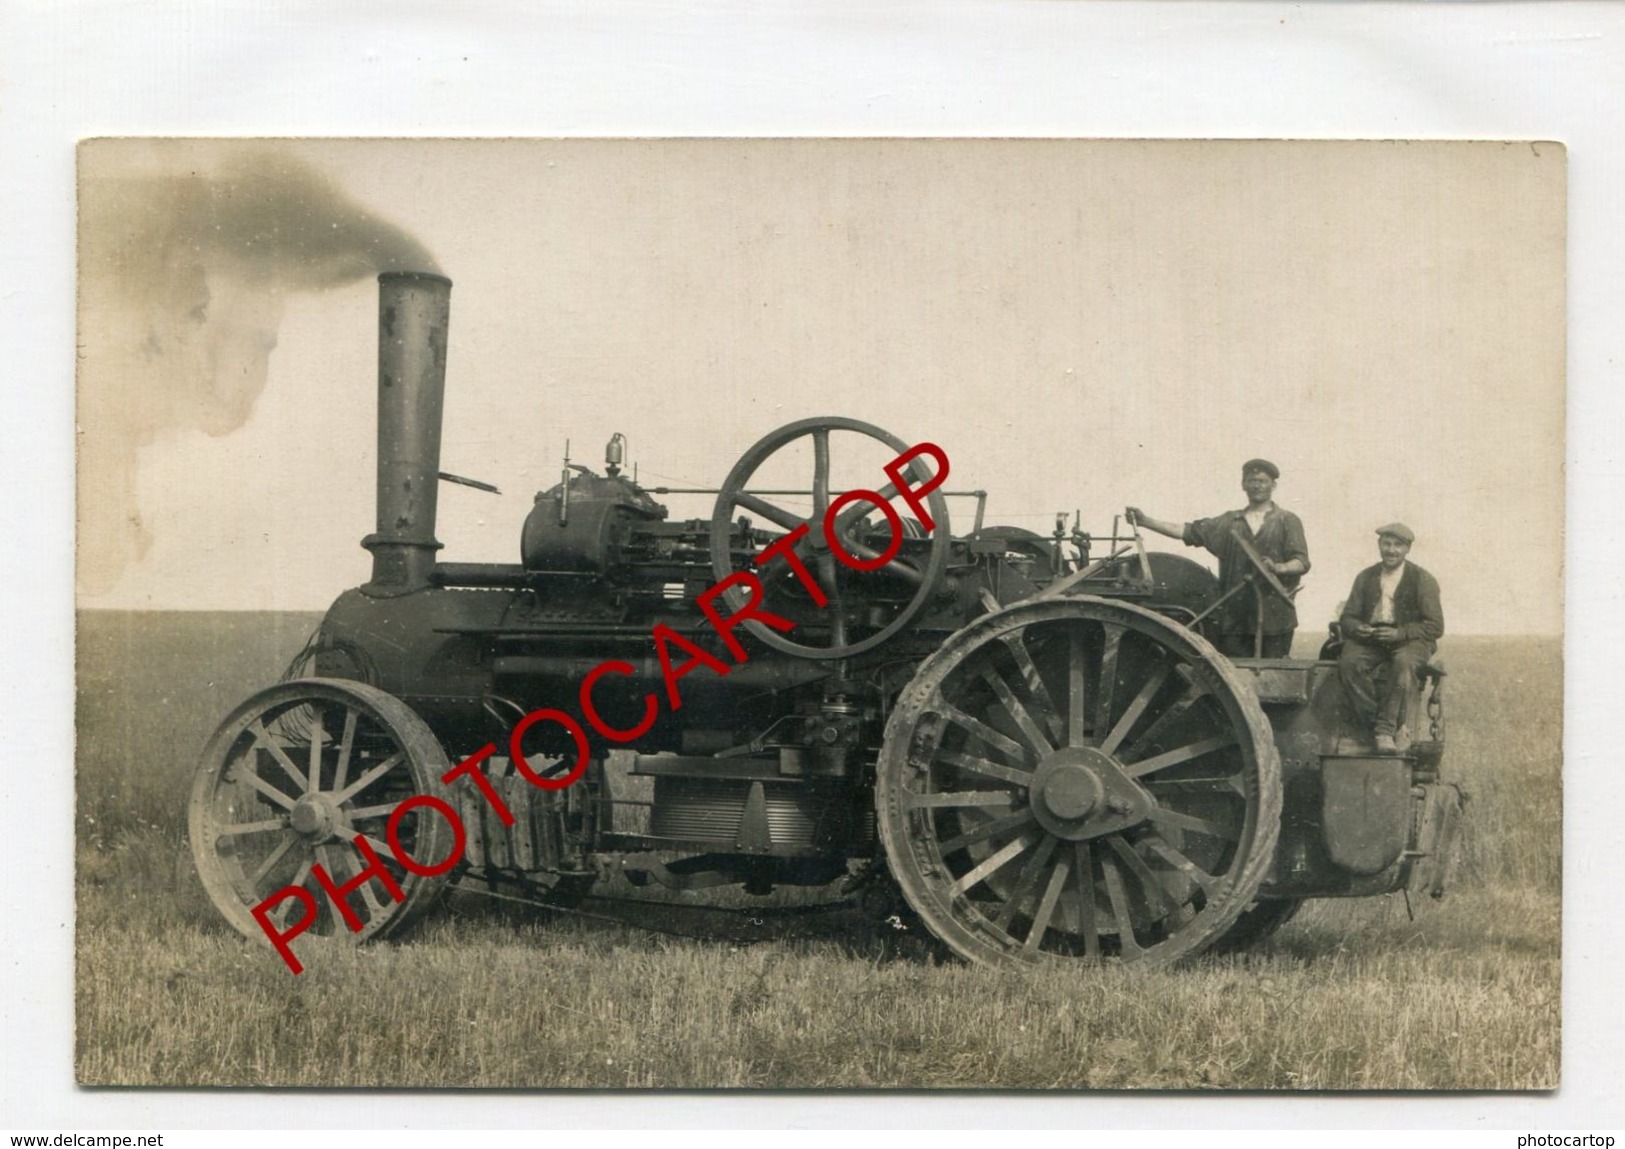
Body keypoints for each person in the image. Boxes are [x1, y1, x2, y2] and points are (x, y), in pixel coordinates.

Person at [1126, 458, 1310, 658]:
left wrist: (1278, 568)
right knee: (1233, 674)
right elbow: (1187, 531)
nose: (1257, 485)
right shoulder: (1229, 522)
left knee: (1273, 676)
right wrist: (1145, 521)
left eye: (1262, 481)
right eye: (1251, 480)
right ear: (1243, 485)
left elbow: (1301, 562)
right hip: (1235, 618)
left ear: (1273, 485)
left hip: (1276, 618)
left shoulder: (1287, 521)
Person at [1337, 523, 1445, 754]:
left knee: (1403, 664)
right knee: (1349, 663)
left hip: (1411, 640)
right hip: (1373, 639)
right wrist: (1359, 629)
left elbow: (1435, 626)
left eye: (1398, 545)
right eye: (1386, 544)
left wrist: (1400, 633)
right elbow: (1348, 617)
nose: (1391, 550)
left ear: (1407, 549)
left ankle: (1385, 731)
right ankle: (1385, 726)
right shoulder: (1365, 577)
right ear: (1379, 545)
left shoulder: (1423, 579)